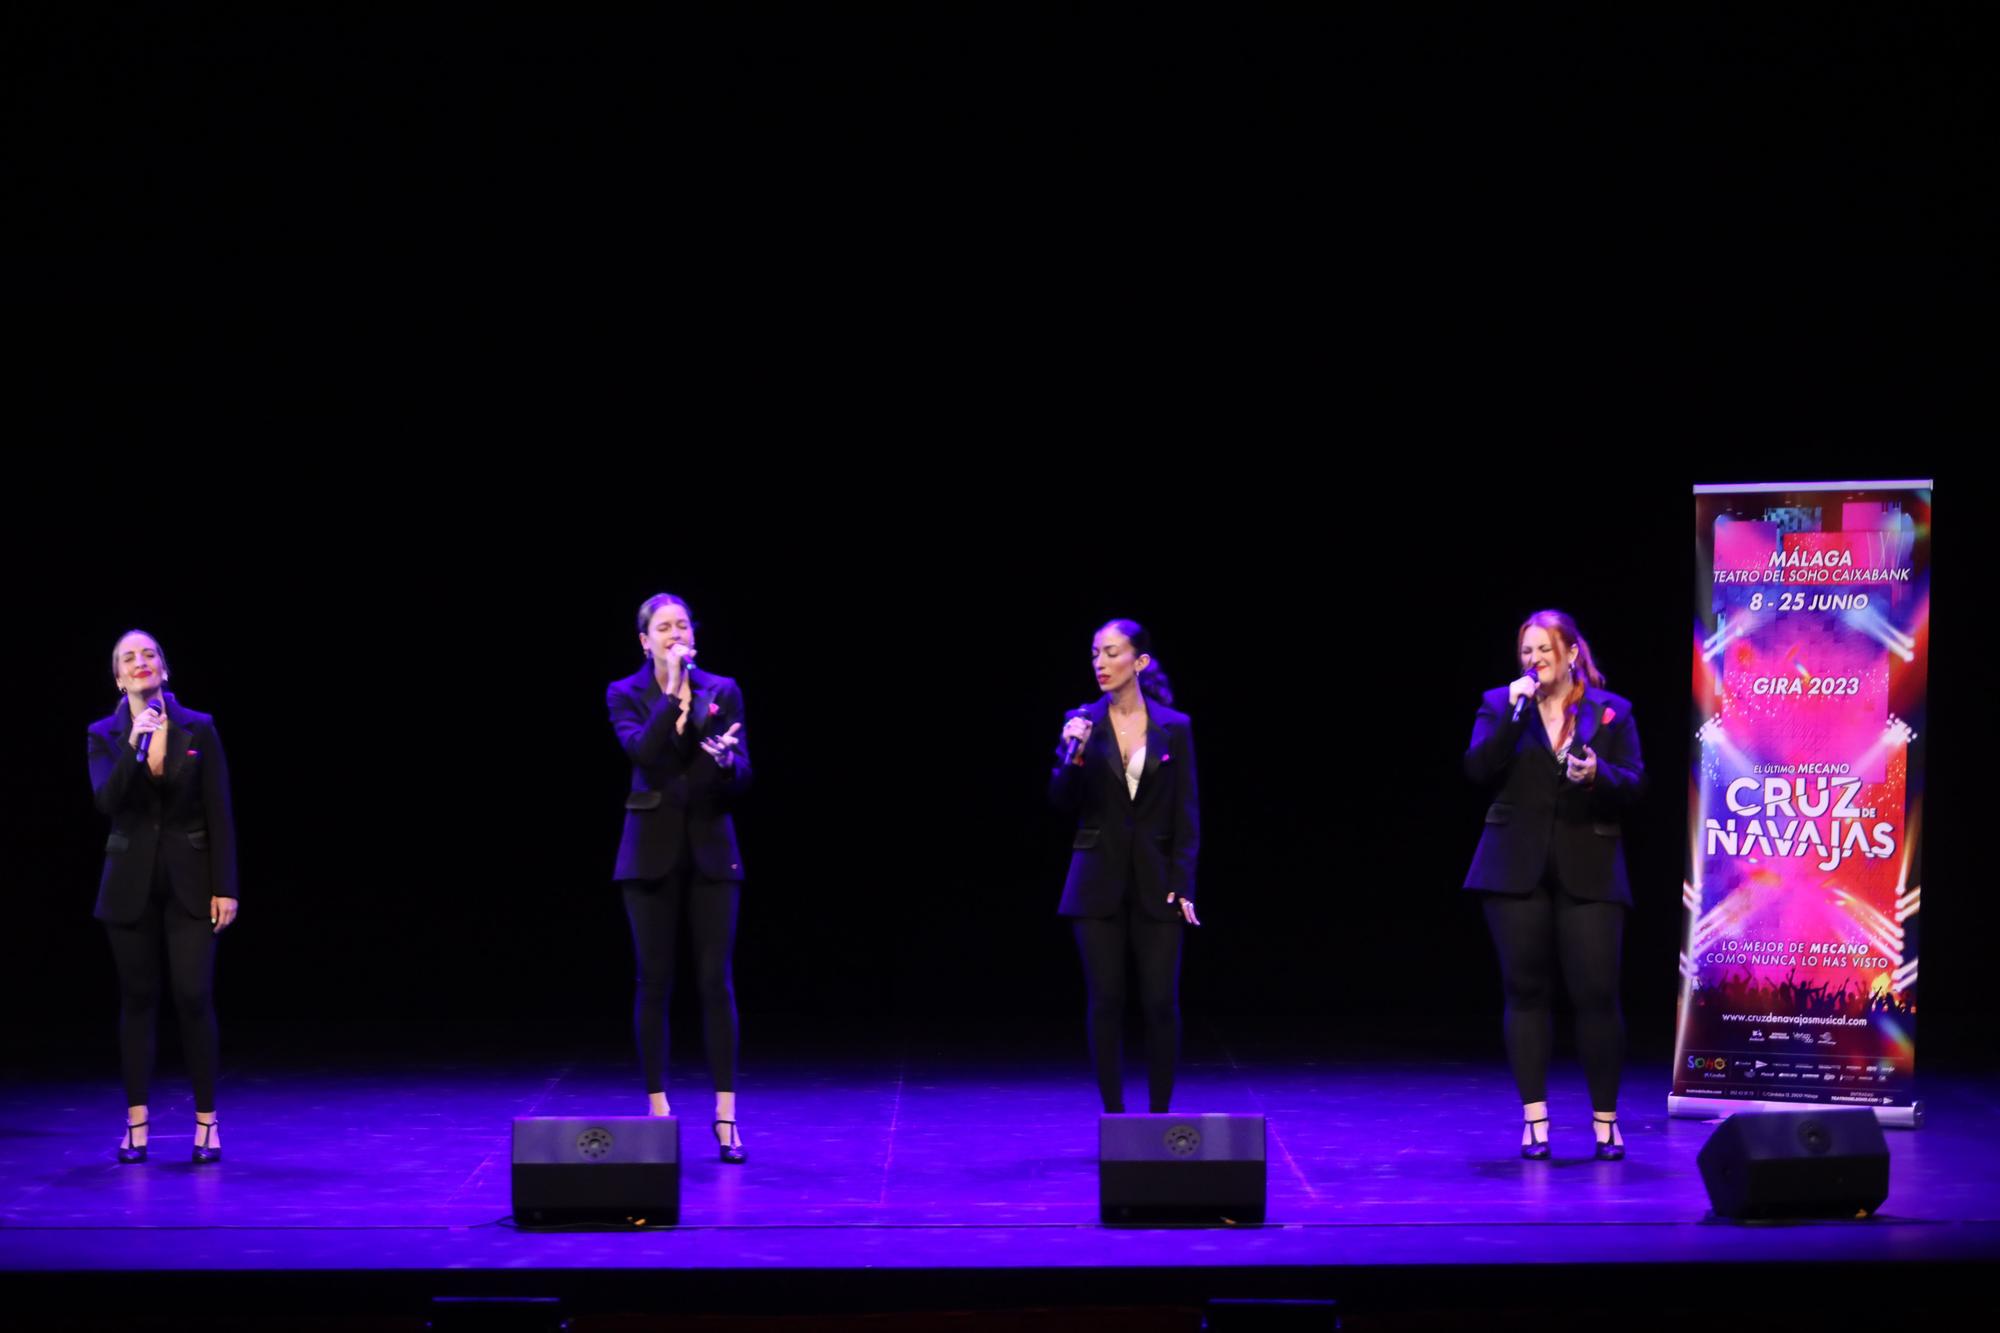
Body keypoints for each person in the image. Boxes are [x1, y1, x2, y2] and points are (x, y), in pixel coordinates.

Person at [1463, 609, 1643, 1160]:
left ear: (1570, 653)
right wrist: (1513, 714)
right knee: (1525, 990)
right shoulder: (1500, 704)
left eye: (1544, 649)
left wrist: (1598, 775)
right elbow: (1478, 769)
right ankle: (1535, 1120)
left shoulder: (1612, 711)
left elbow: (1635, 784)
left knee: (1596, 993)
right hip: (1513, 867)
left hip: (1590, 865)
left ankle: (1606, 1121)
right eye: (1527, 651)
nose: (1534, 659)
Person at [607, 593, 751, 1163]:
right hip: (649, 853)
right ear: (645, 641)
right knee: (654, 981)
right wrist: (670, 694)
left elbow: (745, 772)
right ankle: (658, 1112)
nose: (675, 634)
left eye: (683, 625)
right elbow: (644, 753)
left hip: (713, 849)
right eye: (663, 628)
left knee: (716, 981)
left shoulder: (723, 689)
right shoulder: (625, 693)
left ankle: (726, 1116)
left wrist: (728, 763)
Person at [86, 629, 239, 1164]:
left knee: (193, 995)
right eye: (128, 658)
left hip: (191, 882)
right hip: (128, 884)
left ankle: (206, 1122)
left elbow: (219, 809)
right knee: (137, 1000)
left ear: (164, 669)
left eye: (149, 654)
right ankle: (137, 1124)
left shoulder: (200, 726)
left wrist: (226, 886)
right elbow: (107, 802)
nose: (140, 662)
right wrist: (135, 744)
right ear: (118, 678)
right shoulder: (103, 734)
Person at [1051, 619, 1200, 1114]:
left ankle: (1159, 1118)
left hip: (1158, 883)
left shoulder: (1175, 727)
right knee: (1106, 1002)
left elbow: (1187, 812)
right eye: (1095, 653)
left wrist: (1183, 883)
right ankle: (1114, 1118)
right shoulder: (1081, 723)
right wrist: (1070, 757)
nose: (1100, 663)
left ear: (1139, 661)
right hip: (1096, 880)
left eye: (1112, 653)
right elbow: (1060, 801)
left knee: (1160, 1002)